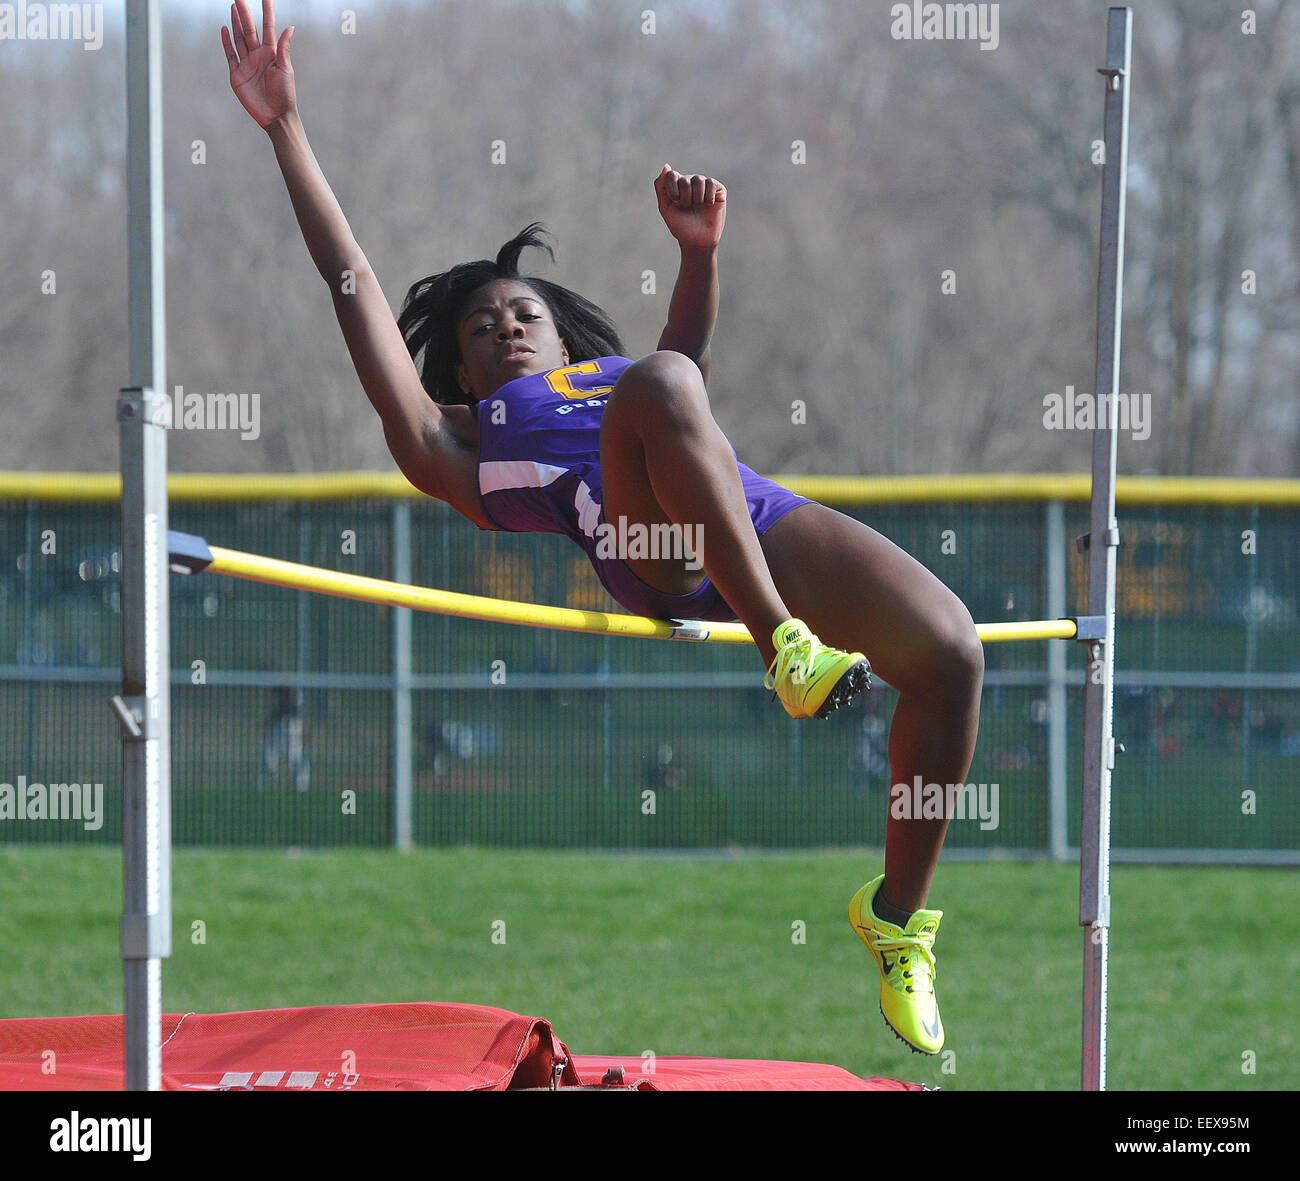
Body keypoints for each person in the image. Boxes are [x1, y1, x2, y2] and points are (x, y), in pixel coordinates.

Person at [221, 0, 985, 1055]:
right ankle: (785, 649)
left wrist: (700, 260)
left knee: (951, 650)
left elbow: (680, 404)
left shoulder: (618, 376)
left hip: (745, 515)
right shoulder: (456, 442)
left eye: (523, 312)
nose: (507, 326)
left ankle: (895, 918)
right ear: (458, 368)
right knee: (665, 382)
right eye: (482, 327)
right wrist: (285, 128)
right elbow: (349, 277)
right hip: (646, 551)